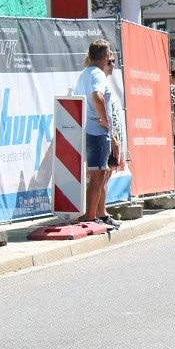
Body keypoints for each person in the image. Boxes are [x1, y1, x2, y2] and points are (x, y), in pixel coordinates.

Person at [73, 39, 119, 228]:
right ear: (106, 56)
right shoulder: (97, 74)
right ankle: (92, 217)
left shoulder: (85, 73)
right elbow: (97, 96)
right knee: (98, 175)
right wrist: (106, 123)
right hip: (97, 132)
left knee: (101, 172)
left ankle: (98, 214)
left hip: (90, 129)